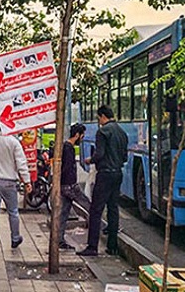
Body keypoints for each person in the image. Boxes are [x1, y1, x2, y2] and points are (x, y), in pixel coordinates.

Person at [78, 105, 128, 257]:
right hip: (117, 173)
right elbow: (125, 157)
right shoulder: (122, 132)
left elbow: (99, 154)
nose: (98, 122)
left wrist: (90, 160)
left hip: (105, 174)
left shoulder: (103, 132)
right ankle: (112, 246)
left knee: (96, 209)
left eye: (98, 118)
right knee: (113, 208)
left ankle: (92, 247)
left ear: (102, 116)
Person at [59, 123, 92, 250]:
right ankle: (104, 228)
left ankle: (60, 239)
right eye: (82, 136)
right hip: (69, 186)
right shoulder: (69, 148)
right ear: (77, 135)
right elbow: (67, 168)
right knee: (89, 206)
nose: (82, 139)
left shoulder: (66, 146)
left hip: (66, 186)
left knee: (64, 213)